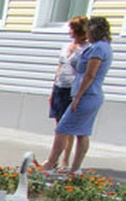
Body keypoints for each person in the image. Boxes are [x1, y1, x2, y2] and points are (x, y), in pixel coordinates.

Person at [40, 16, 114, 175]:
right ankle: (75, 170)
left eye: (89, 30)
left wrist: (78, 96)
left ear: (94, 31)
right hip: (92, 95)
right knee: (82, 132)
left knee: (62, 129)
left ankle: (50, 164)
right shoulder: (104, 46)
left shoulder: (97, 49)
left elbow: (90, 75)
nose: (87, 34)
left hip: (88, 95)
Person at [48, 15, 88, 171]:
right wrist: (53, 89)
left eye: (72, 28)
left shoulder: (86, 49)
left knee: (67, 126)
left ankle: (64, 160)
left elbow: (84, 72)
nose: (69, 31)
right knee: (59, 125)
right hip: (60, 86)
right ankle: (56, 158)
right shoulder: (66, 46)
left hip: (72, 89)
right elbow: (59, 67)